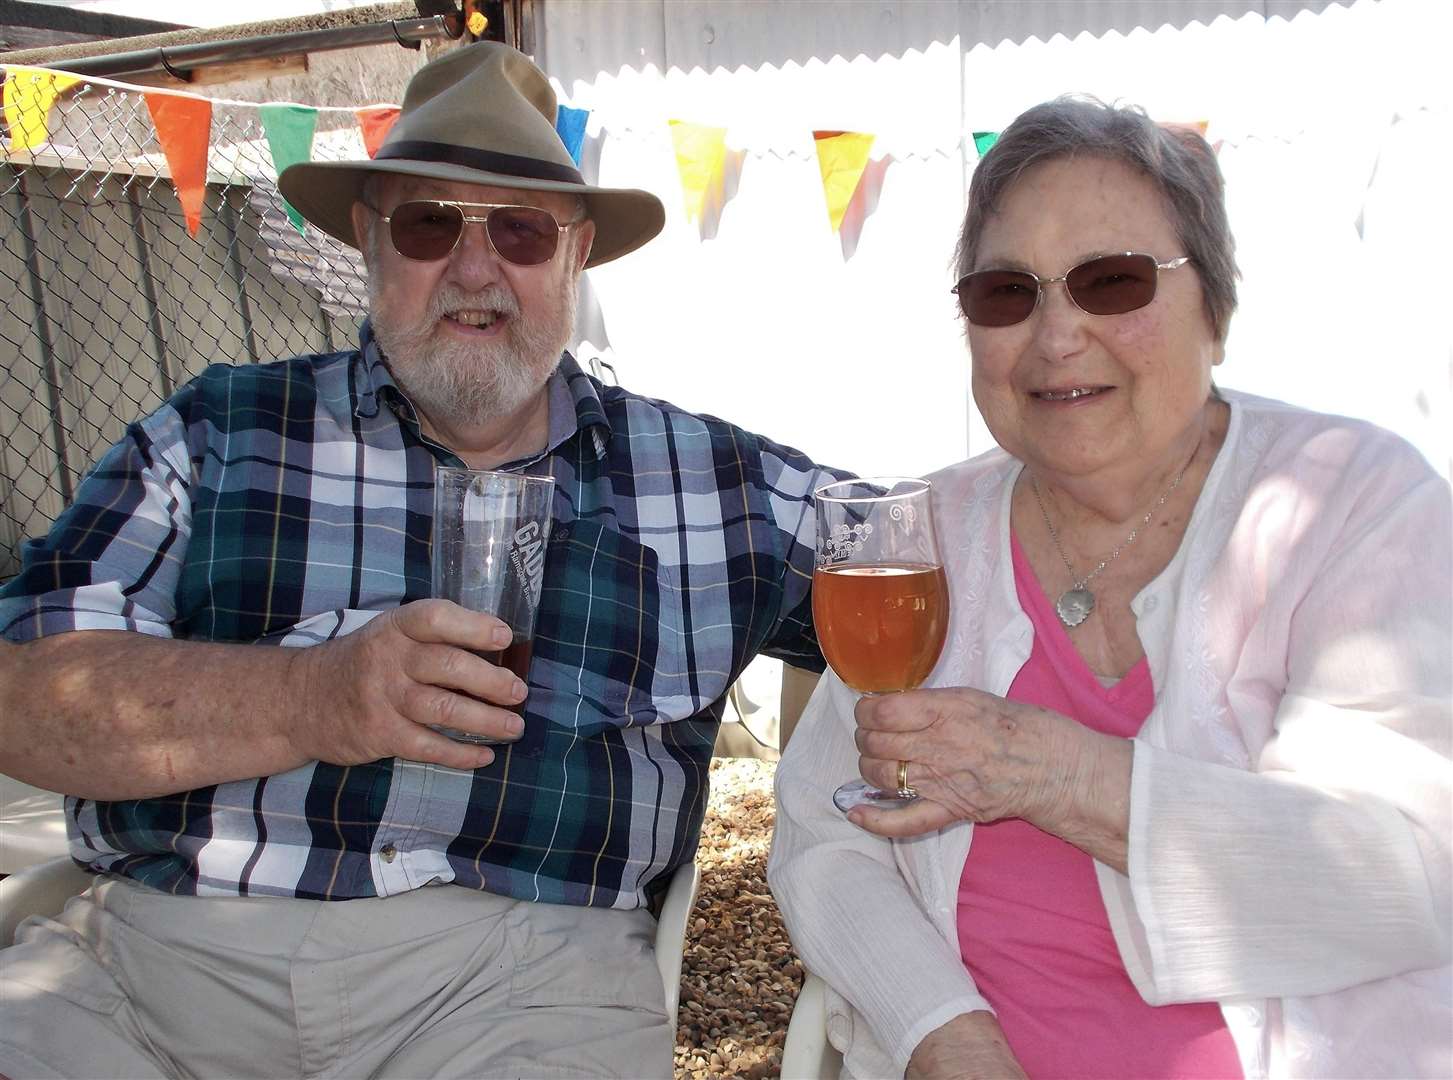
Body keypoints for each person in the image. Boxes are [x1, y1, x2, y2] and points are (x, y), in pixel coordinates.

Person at [0, 42, 843, 1079]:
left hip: (518, 989)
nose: (477, 269)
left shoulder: (709, 481)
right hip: (153, 976)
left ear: (576, 258)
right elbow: (24, 697)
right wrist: (316, 698)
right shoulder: (220, 433)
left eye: (523, 232)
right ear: (368, 240)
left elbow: (947, 559)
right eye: (429, 223)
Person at [769, 97, 1451, 1079]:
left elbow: (1409, 872)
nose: (1056, 336)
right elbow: (824, 836)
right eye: (1005, 294)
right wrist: (938, 1032)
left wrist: (1058, 773)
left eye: (1111, 282)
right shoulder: (926, 535)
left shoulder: (1352, 501)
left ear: (1212, 308)